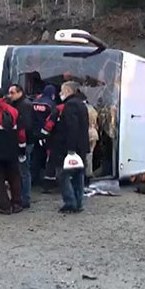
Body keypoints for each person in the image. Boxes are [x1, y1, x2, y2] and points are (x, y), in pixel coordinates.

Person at [51, 81, 90, 213]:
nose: (60, 93)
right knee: (79, 175)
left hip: (69, 147)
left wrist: (70, 149)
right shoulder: (82, 104)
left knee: (63, 175)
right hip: (81, 146)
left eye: (62, 90)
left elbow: (71, 128)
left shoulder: (70, 105)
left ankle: (70, 202)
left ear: (68, 91)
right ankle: (78, 202)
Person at [8, 84, 35, 209]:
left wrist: (22, 145)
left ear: (20, 92)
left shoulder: (24, 105)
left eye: (12, 92)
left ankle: (25, 198)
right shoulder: (18, 104)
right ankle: (20, 196)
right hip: (19, 141)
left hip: (25, 142)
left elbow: (26, 126)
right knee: (20, 171)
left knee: (24, 171)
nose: (10, 95)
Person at [31, 85, 57, 185]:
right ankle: (47, 178)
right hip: (46, 133)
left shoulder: (34, 102)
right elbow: (52, 119)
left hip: (34, 132)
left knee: (35, 155)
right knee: (48, 156)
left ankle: (34, 177)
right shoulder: (51, 104)